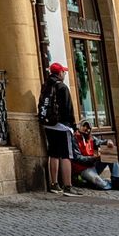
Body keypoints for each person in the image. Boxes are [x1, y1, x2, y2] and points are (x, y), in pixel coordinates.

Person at [39, 62, 76, 194]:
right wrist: (73, 125)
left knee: (53, 154)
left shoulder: (46, 86)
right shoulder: (62, 87)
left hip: (48, 124)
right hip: (61, 125)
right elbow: (68, 108)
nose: (64, 74)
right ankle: (68, 186)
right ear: (59, 73)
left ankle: (54, 183)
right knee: (66, 155)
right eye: (63, 72)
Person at [70, 123, 119, 190]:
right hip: (82, 168)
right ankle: (95, 183)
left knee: (111, 154)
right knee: (101, 184)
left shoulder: (90, 137)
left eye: (88, 127)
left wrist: (108, 141)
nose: (86, 129)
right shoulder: (74, 139)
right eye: (84, 126)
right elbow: (78, 158)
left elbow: (100, 142)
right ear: (79, 127)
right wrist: (94, 158)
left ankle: (116, 181)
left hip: (93, 165)